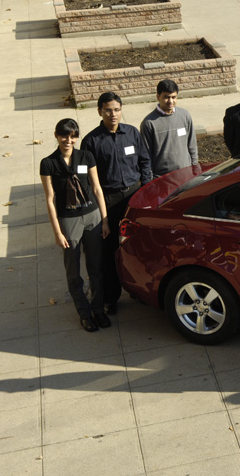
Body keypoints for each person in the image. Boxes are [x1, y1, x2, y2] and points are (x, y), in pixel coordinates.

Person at [81, 91, 152, 315]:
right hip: (109, 201)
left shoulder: (132, 133)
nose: (113, 114)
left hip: (133, 197)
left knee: (135, 247)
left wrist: (146, 191)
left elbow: (145, 162)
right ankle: (110, 297)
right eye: (108, 110)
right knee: (110, 251)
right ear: (100, 112)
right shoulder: (91, 141)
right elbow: (86, 179)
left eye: (117, 110)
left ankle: (138, 290)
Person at [41, 119, 111, 332]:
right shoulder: (48, 163)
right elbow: (50, 199)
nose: (68, 140)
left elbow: (97, 189)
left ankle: (98, 309)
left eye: (73, 136)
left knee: (96, 267)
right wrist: (56, 231)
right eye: (64, 136)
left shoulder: (86, 156)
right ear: (56, 136)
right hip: (68, 220)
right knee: (73, 271)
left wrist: (105, 219)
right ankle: (84, 312)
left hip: (92, 217)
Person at [140, 79, 198, 178]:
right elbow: (146, 156)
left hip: (186, 174)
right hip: (163, 178)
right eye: (166, 97)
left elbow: (192, 145)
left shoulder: (185, 116)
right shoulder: (149, 123)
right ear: (158, 97)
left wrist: (195, 167)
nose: (170, 101)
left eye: (173, 97)